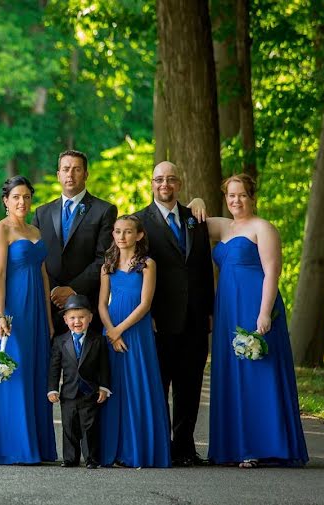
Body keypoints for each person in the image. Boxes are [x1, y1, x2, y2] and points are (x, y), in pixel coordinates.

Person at [199, 174, 308, 468]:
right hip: (227, 310)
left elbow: (272, 272)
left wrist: (263, 312)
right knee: (232, 374)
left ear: (252, 197)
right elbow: (188, 219)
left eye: (242, 195)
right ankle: (235, 446)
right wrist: (197, 200)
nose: (236, 201)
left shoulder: (263, 228)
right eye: (231, 195)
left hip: (255, 305)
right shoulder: (223, 226)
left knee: (258, 373)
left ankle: (262, 446)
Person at [135, 161, 214, 466]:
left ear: (179, 184)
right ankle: (160, 447)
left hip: (195, 317)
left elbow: (205, 268)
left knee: (190, 386)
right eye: (158, 179)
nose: (164, 184)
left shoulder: (196, 218)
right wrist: (146, 313)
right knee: (160, 385)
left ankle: (184, 447)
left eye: (170, 179)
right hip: (158, 318)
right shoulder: (140, 222)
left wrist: (209, 309)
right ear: (151, 184)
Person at [0, 176, 56, 465]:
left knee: (36, 370)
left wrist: (48, 318)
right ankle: (12, 447)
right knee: (15, 372)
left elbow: (44, 274)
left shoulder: (35, 229)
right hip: (13, 309)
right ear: (5, 201)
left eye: (26, 196)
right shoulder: (1, 230)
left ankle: (37, 445)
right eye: (16, 197)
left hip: (36, 309)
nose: (22, 202)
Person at [96, 216, 171, 468]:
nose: (121, 236)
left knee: (138, 385)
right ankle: (113, 451)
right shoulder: (107, 265)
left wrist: (120, 330)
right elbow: (101, 304)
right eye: (117, 231)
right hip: (112, 329)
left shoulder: (147, 264)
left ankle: (138, 451)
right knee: (114, 386)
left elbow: (145, 304)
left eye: (127, 232)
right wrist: (110, 331)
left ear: (138, 235)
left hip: (136, 331)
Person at [34, 150, 117, 332]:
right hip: (48, 303)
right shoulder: (42, 213)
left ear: (86, 174)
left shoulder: (104, 211)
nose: (70, 174)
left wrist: (71, 290)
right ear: (58, 175)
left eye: (76, 169)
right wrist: (55, 290)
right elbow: (35, 258)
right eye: (65, 169)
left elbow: (103, 258)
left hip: (86, 306)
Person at [47, 295, 110, 468]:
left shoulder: (98, 340)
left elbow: (104, 366)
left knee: (89, 427)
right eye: (72, 318)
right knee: (69, 427)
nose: (77, 321)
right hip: (68, 393)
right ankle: (70, 458)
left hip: (90, 392)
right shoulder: (60, 341)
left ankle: (91, 458)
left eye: (81, 317)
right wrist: (52, 389)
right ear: (66, 320)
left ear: (90, 318)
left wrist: (104, 387)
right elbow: (54, 368)